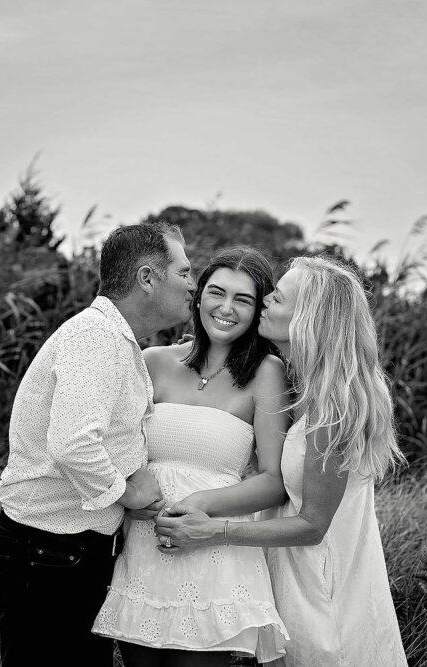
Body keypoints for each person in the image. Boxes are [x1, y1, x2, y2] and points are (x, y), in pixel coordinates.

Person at [155, 256, 409, 667]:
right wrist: (203, 350)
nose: (266, 299)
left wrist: (213, 531)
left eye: (279, 296)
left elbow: (313, 525)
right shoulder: (306, 386)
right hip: (293, 579)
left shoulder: (335, 409)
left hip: (326, 595)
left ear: (310, 318)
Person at [0, 221, 197, 667]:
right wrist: (126, 493)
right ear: (147, 278)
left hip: (63, 551)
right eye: (184, 272)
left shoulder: (114, 338)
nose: (192, 286)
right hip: (49, 552)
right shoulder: (96, 337)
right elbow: (72, 445)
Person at [93, 246, 291, 666]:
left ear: (258, 309)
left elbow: (274, 481)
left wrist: (201, 504)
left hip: (211, 552)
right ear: (198, 296)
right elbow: (113, 447)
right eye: (216, 293)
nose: (226, 308)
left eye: (243, 299)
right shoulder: (152, 362)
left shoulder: (266, 372)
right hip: (143, 549)